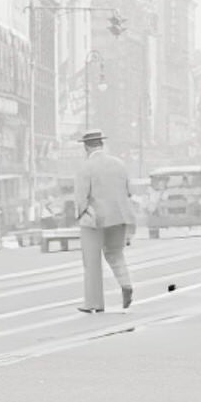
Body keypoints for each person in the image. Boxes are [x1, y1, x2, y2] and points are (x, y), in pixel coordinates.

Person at [72, 130, 134, 314]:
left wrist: (79, 214)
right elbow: (128, 191)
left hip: (95, 219)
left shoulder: (86, 167)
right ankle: (126, 284)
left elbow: (81, 197)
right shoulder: (119, 164)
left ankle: (94, 304)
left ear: (86, 147)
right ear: (102, 144)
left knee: (91, 261)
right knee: (115, 253)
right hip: (120, 216)